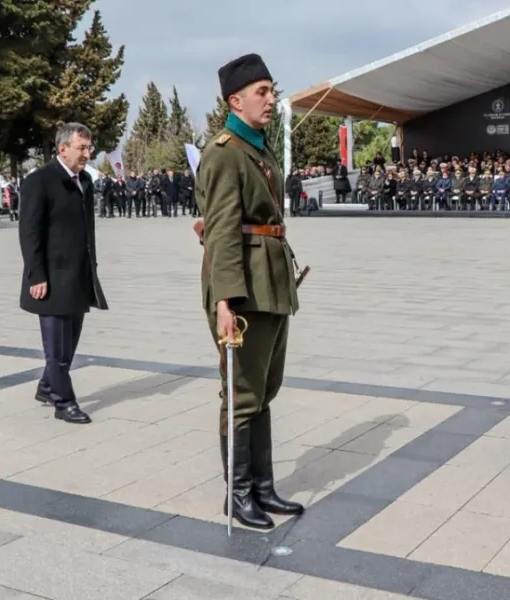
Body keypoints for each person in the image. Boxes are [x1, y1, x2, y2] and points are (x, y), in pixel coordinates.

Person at [195, 53, 304, 530]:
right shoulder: (225, 152)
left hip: (270, 284)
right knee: (241, 393)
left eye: (271, 89)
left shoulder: (257, 149)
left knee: (264, 390)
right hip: (243, 292)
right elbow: (220, 230)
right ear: (234, 100)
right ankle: (237, 494)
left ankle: (262, 487)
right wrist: (224, 301)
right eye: (261, 91)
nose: (271, 97)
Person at [18, 122, 108, 425]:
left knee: (69, 344)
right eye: (81, 148)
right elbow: (29, 233)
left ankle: (46, 386)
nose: (87, 153)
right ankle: (63, 402)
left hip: (78, 277)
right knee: (56, 349)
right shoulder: (40, 181)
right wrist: (36, 275)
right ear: (62, 148)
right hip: (51, 280)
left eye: (88, 147)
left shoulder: (84, 181)